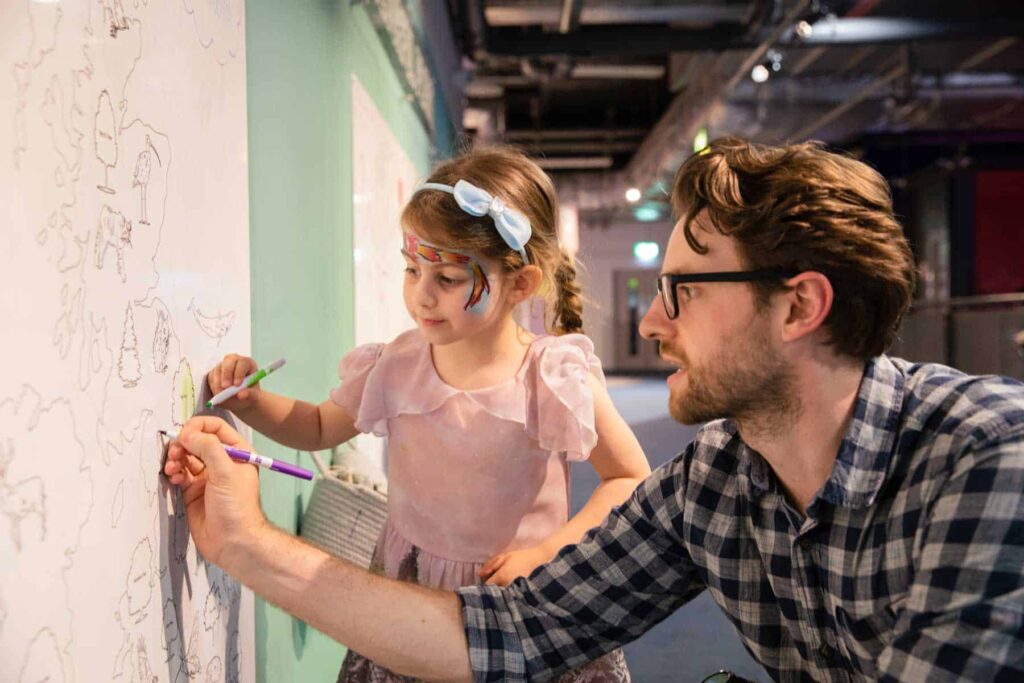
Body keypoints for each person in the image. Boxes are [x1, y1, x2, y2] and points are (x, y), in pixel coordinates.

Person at [165, 137, 1024, 682]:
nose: (649, 322)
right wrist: (246, 541)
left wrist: (540, 545)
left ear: (799, 307)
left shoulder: (993, 464)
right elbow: (517, 631)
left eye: (682, 289)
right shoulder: (718, 483)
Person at [196, 146, 650, 681]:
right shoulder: (398, 362)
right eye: (412, 269)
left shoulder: (551, 375)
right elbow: (318, 426)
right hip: (407, 593)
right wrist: (253, 402)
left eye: (449, 280)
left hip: (518, 594)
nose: (421, 296)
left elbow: (628, 477)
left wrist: (551, 550)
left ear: (520, 285)